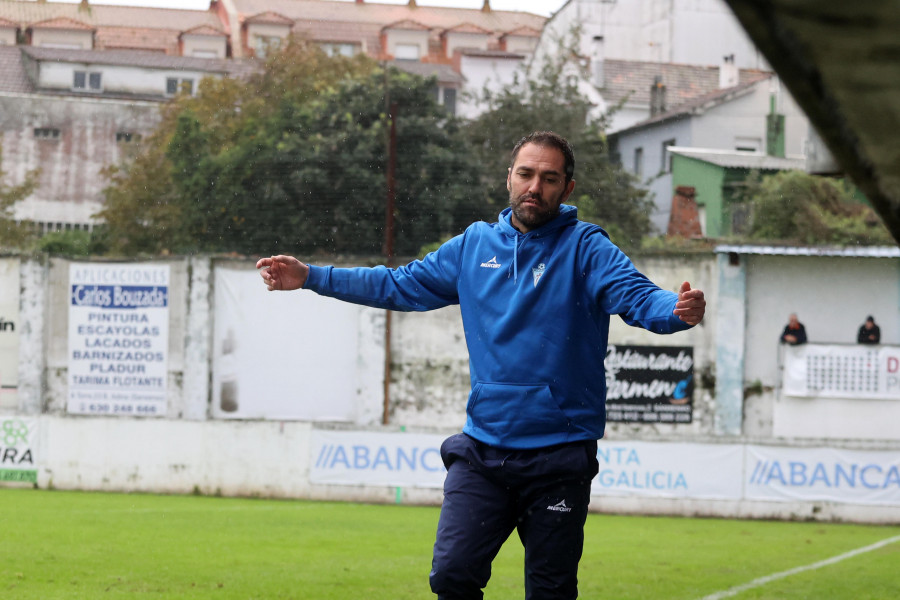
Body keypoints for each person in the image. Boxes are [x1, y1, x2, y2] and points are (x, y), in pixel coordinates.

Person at [256, 131, 706, 600]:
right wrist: (312, 277)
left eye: (549, 179)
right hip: (483, 452)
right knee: (451, 576)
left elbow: (636, 295)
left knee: (550, 593)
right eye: (526, 174)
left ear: (567, 189)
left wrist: (674, 311)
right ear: (509, 177)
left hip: (560, 455)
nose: (535, 187)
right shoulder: (474, 245)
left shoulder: (586, 247)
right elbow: (398, 283)